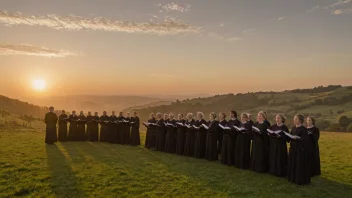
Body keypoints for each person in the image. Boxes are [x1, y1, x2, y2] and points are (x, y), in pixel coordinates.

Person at [287, 114, 311, 185]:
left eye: (296, 119)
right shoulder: (293, 128)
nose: (294, 120)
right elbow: (290, 136)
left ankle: (299, 179)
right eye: (294, 119)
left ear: (300, 120)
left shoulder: (303, 129)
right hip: (293, 148)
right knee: (292, 163)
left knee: (298, 164)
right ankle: (292, 178)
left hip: (300, 150)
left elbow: (306, 140)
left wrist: (298, 138)